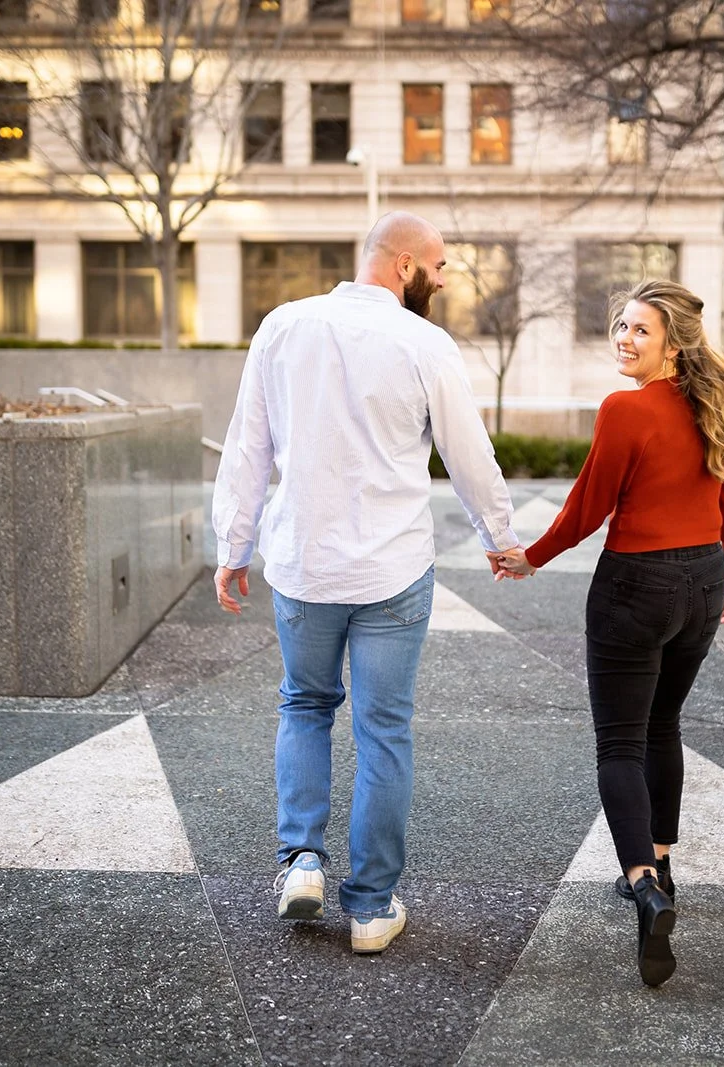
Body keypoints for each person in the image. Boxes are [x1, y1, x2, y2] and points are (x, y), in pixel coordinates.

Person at [212, 211, 521, 955]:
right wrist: (501, 537)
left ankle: (301, 862)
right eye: (440, 267)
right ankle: (372, 907)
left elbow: (248, 444)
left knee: (306, 705)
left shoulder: (283, 327)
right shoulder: (424, 343)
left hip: (304, 565)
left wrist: (234, 544)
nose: (445, 281)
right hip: (392, 570)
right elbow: (468, 453)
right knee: (384, 731)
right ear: (406, 265)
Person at [494, 279, 724, 987]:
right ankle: (662, 860)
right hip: (701, 581)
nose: (624, 339)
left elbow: (588, 504)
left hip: (636, 586)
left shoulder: (624, 408)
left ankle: (643, 883)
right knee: (663, 724)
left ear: (673, 345)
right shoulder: (709, 407)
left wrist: (530, 557)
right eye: (621, 326)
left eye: (641, 331)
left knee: (620, 741)